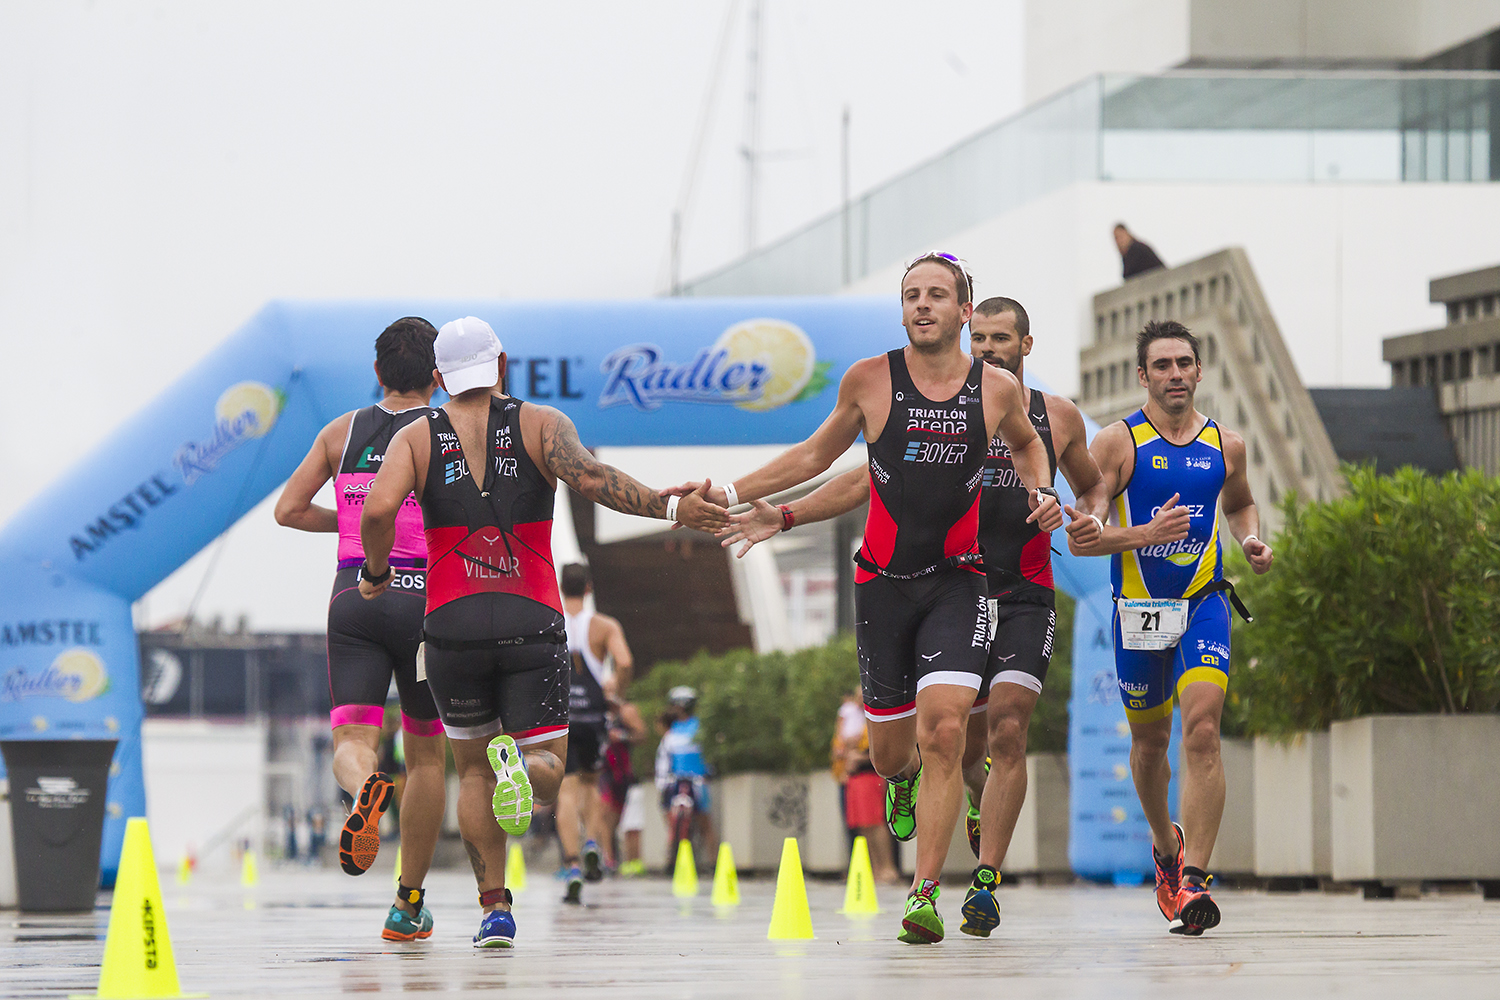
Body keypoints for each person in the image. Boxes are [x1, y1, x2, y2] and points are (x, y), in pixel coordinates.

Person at [668, 252, 1062, 944]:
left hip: (959, 580)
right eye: (911, 295)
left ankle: (925, 892)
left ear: (963, 311)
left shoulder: (996, 391)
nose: (922, 305)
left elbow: (1030, 447)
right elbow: (817, 456)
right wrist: (738, 496)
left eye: (937, 295)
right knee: (890, 754)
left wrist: (1041, 489)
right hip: (882, 583)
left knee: (946, 732)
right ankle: (899, 782)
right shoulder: (870, 380)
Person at [358, 316, 727, 948]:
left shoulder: (416, 437)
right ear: (502, 366)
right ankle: (524, 773)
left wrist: (375, 571)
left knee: (471, 771)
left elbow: (377, 510)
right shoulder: (540, 424)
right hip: (531, 619)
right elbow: (592, 480)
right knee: (550, 765)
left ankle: (494, 910)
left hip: (451, 626)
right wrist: (670, 507)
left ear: (442, 378)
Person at [1075, 319, 1273, 936]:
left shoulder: (1226, 445)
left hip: (1203, 601)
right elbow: (1085, 537)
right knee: (1150, 746)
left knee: (1205, 729)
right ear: (1143, 376)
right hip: (1136, 611)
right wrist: (1143, 535)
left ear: (1199, 371)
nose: (1175, 375)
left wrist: (1250, 537)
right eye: (1162, 365)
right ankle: (1165, 846)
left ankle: (1195, 882)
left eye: (1184, 363)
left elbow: (1238, 501)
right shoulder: (1116, 443)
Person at [274, 316, 447, 942]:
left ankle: (364, 786)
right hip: (427, 598)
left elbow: (287, 510)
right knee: (427, 754)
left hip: (354, 592)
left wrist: (352, 529)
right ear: (438, 375)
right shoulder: (447, 433)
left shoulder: (339, 432)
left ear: (377, 373)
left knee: (353, 737)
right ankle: (407, 904)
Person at [556, 562, 635, 903]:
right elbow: (626, 662)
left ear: (561, 587)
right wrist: (617, 695)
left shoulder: (549, 620)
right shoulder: (604, 626)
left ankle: (573, 865)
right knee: (591, 783)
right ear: (588, 588)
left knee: (566, 789)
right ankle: (592, 843)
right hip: (593, 716)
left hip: (559, 716)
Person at [654, 686, 716, 868]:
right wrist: (662, 781)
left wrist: (709, 771)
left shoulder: (699, 727)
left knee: (705, 821)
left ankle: (714, 862)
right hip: (674, 780)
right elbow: (664, 757)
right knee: (669, 815)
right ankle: (671, 856)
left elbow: (708, 753)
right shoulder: (670, 730)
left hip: (697, 780)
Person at [841, 712, 902, 885]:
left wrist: (857, 757)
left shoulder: (876, 718)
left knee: (876, 822)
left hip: (871, 776)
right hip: (856, 778)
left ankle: (887, 867)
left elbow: (884, 750)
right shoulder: (851, 717)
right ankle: (875, 868)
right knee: (863, 825)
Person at [599, 682, 647, 875]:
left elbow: (642, 734)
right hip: (604, 772)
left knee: (624, 820)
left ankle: (628, 860)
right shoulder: (597, 711)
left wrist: (622, 736)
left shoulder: (626, 711)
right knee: (603, 816)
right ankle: (608, 859)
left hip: (623, 774)